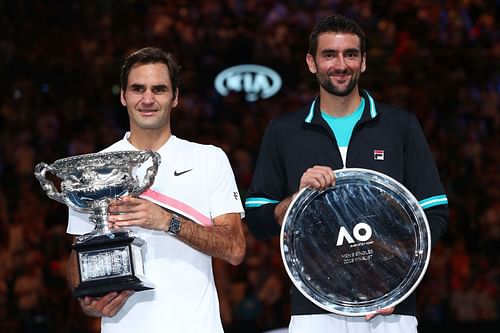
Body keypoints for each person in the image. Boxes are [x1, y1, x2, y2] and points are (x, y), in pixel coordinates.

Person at [244, 14, 448, 333]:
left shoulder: (400, 125)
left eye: (350, 54)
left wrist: (399, 280)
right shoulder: (284, 131)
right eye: (329, 55)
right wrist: (297, 200)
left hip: (389, 311)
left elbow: (434, 212)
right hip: (314, 310)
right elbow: (257, 220)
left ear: (363, 62)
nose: (341, 65)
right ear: (312, 62)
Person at [66, 47, 246, 333]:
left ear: (175, 97)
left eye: (159, 89)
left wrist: (167, 222)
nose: (147, 99)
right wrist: (86, 298)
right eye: (138, 89)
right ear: (123, 96)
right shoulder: (93, 170)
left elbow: (235, 248)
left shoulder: (209, 159)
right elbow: (78, 257)